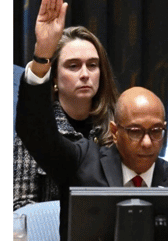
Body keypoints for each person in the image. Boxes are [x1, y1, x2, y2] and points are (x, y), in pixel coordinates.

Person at [16, 0, 168, 241]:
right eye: (135, 132)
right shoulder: (84, 162)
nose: (146, 142)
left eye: (156, 132)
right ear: (115, 133)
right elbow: (36, 133)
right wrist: (42, 55)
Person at [14, 22, 119, 210]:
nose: (85, 74)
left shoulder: (117, 128)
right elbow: (20, 206)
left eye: (93, 65)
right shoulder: (36, 130)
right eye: (73, 66)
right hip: (50, 234)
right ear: (54, 77)